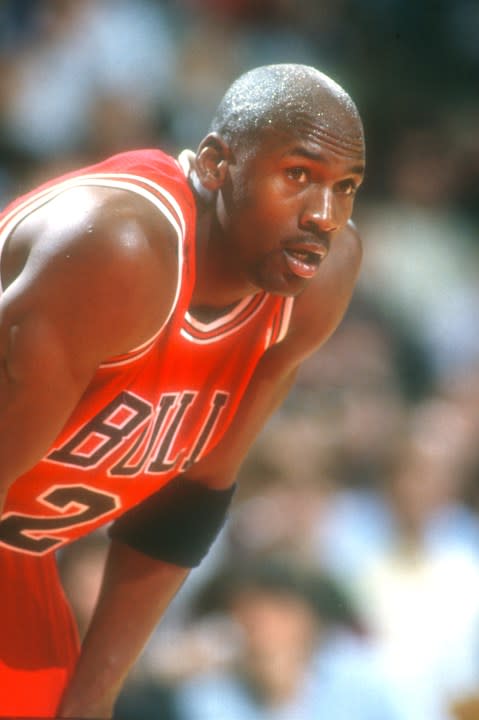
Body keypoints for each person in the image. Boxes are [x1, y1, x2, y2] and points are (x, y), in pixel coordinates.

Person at [0, 63, 365, 717]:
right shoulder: (121, 251)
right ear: (218, 164)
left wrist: (93, 696)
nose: (322, 215)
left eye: (345, 188)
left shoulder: (317, 284)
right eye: (298, 176)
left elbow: (189, 503)